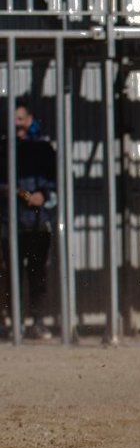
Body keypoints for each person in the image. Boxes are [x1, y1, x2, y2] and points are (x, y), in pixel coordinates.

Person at [0, 101, 58, 339]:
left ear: (30, 120)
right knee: (10, 276)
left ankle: (37, 322)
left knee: (37, 275)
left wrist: (42, 194)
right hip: (9, 222)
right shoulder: (3, 149)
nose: (17, 124)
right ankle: (15, 322)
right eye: (13, 119)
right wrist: (18, 193)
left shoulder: (43, 148)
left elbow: (54, 179)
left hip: (37, 222)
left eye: (21, 119)